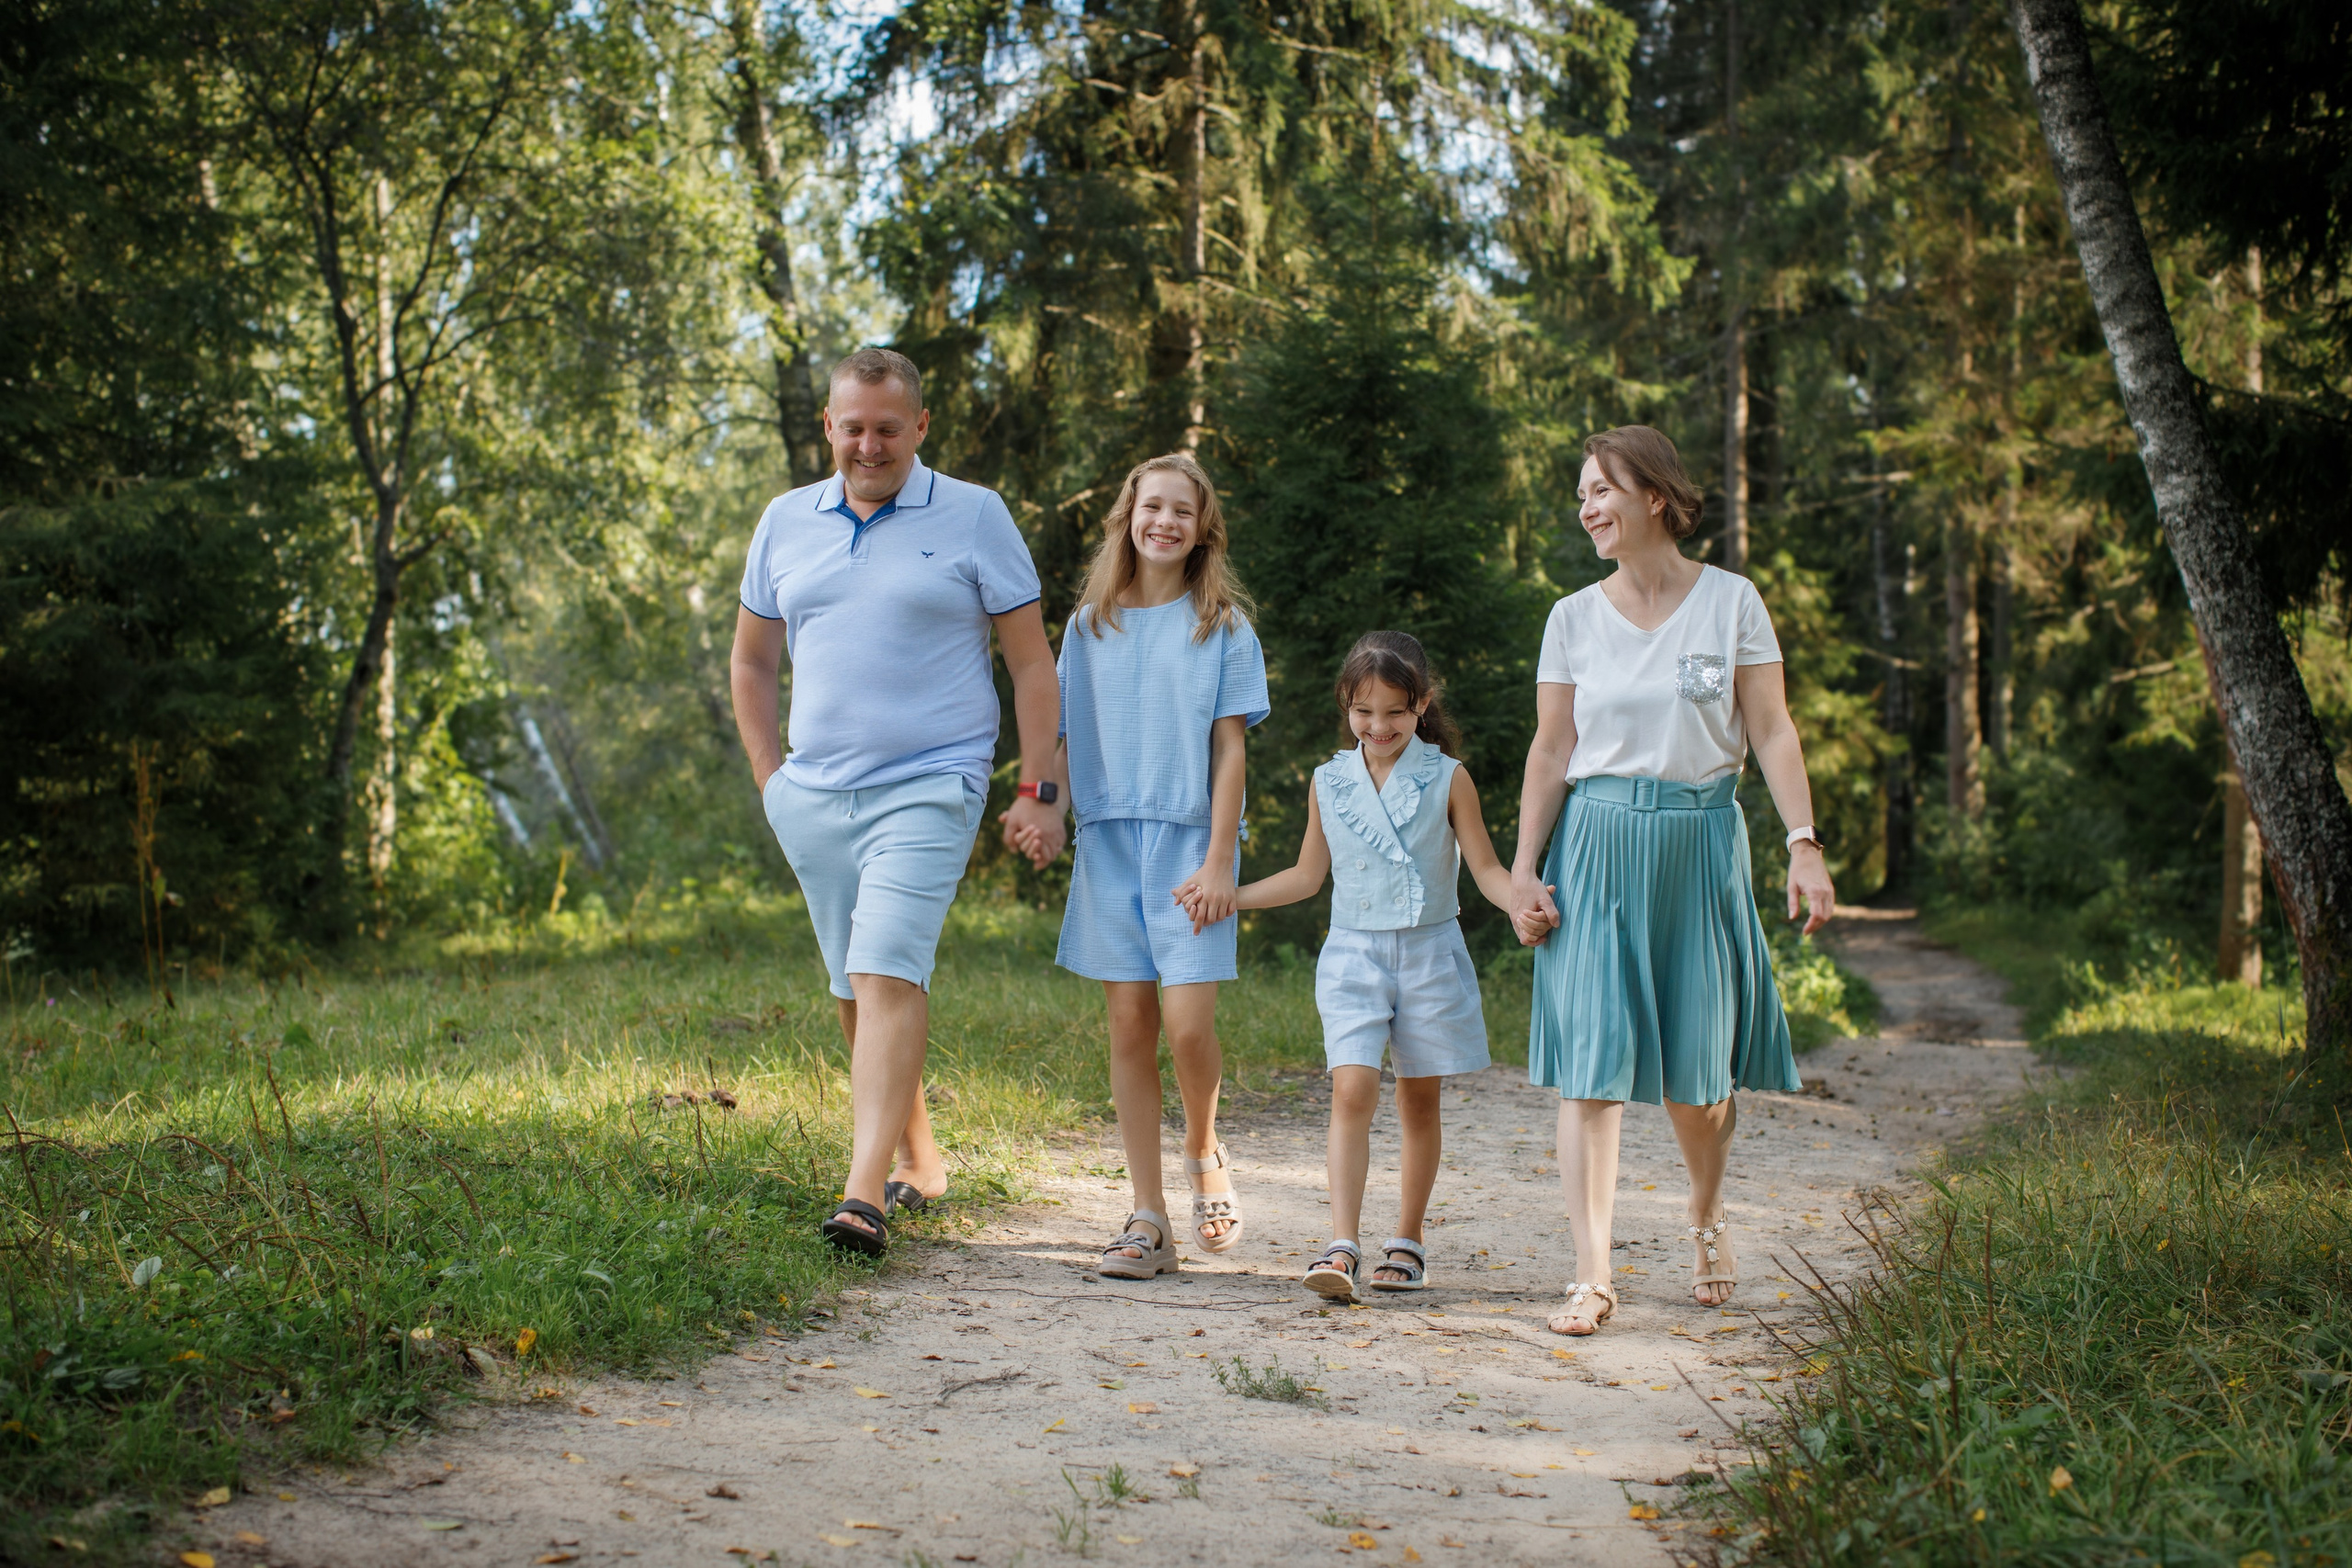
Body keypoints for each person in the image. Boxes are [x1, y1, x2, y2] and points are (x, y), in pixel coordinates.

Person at [731, 347, 1066, 1258]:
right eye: (853, 428)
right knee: (857, 989)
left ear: (920, 426)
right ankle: (921, 1158)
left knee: (884, 971)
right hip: (813, 793)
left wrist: (1037, 786)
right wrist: (771, 782)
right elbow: (752, 661)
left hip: (931, 781)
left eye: (888, 428)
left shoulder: (975, 515)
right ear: (829, 427)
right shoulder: (784, 521)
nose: (869, 446)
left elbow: (1032, 664)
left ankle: (861, 1194)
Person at [1507, 425, 1835, 1336]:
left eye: (1601, 490)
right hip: (1596, 847)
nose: (1587, 508)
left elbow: (1771, 728)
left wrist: (1802, 841)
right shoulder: (1572, 618)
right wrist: (1524, 868)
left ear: (1654, 496)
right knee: (1591, 1068)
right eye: (1581, 493)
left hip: (1701, 845)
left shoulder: (1731, 602)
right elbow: (1552, 748)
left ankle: (1705, 1211)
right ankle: (1591, 1275)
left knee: (1700, 1079)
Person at [1011, 454, 1268, 1278]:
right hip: (1110, 842)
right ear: (1128, 517)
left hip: (1191, 844)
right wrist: (1047, 807)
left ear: (1202, 528)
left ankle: (1204, 1147)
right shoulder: (1089, 626)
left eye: (1182, 511)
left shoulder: (1221, 626)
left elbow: (1230, 753)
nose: (1165, 522)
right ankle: (1147, 1216)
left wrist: (1221, 860)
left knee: (1187, 1026)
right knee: (1129, 1023)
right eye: (1152, 506)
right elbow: (1061, 739)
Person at [1237, 631, 1515, 1303]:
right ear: (1346, 705)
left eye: (1395, 711)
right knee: (1352, 1088)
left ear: (1422, 704)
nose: (1379, 726)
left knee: (1418, 1099)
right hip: (1353, 953)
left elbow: (1486, 869)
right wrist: (1230, 897)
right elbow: (1307, 875)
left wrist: (1523, 902)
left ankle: (1408, 1240)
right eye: (1364, 711)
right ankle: (1342, 1245)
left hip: (1428, 952)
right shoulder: (1328, 781)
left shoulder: (1448, 777)